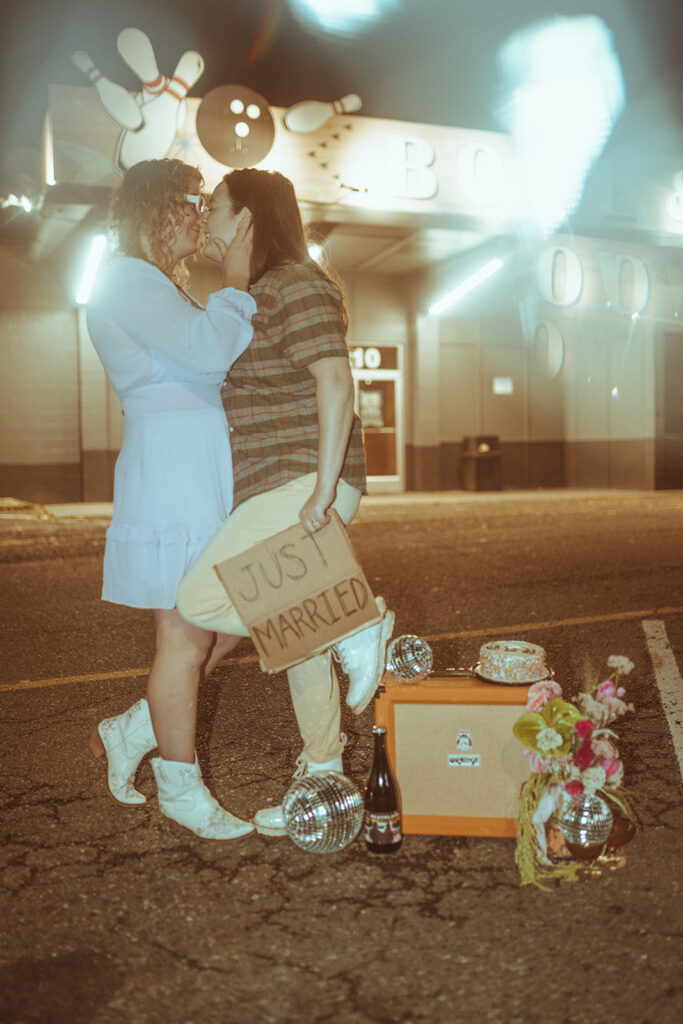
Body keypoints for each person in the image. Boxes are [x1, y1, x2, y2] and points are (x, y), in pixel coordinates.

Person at [175, 168, 395, 837]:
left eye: (214, 208)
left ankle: (353, 625)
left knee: (197, 600)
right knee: (294, 634)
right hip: (281, 483)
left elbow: (335, 382)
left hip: (303, 481)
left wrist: (325, 490)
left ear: (246, 219)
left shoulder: (294, 283)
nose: (205, 219)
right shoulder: (252, 294)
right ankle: (324, 774)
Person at [86, 158, 257, 841]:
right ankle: (181, 789)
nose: (198, 214)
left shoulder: (155, 283)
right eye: (186, 202)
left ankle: (135, 726)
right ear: (151, 211)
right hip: (171, 472)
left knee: (243, 612)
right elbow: (209, 353)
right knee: (185, 636)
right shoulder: (126, 278)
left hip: (198, 467)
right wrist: (237, 278)